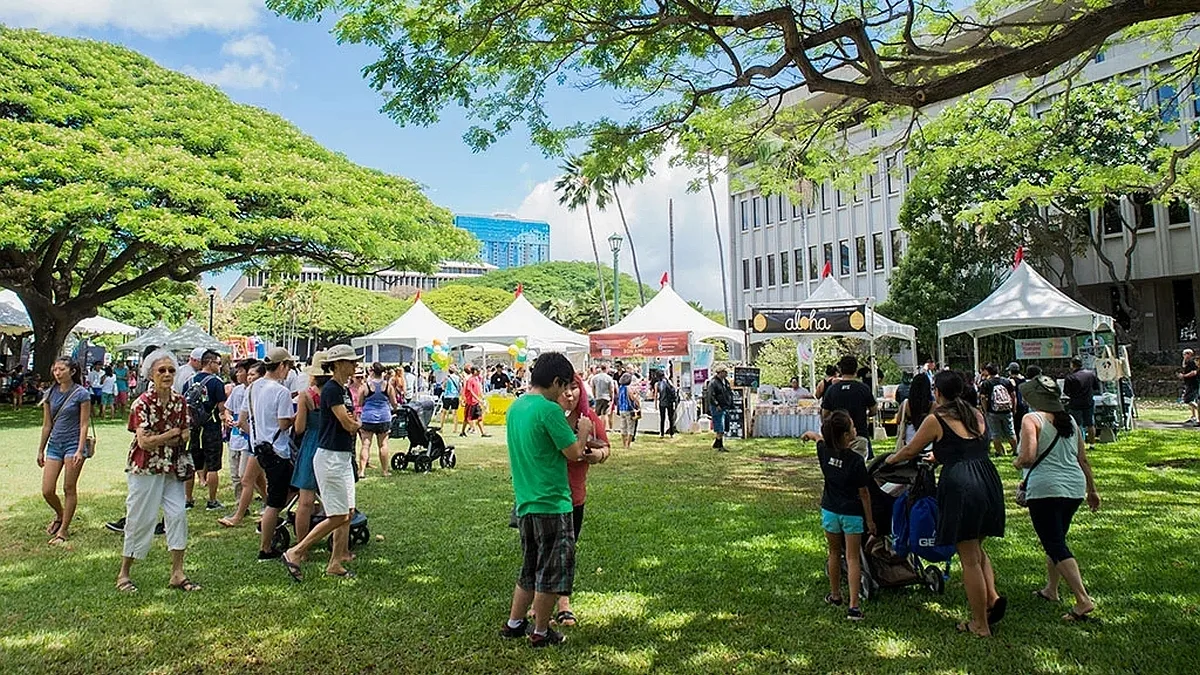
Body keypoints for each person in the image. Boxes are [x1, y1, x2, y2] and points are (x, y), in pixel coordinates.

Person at [886, 371, 1006, 637]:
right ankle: (991, 599)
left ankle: (979, 624)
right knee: (978, 549)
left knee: (969, 559)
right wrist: (939, 457)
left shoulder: (936, 418)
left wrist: (889, 461)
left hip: (962, 485)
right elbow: (965, 448)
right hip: (988, 480)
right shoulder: (976, 413)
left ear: (937, 392)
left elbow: (910, 450)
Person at [499, 352, 593, 648]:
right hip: (552, 503)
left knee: (529, 566)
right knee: (553, 571)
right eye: (563, 385)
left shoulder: (516, 408)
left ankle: (515, 623)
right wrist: (583, 432)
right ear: (554, 382)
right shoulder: (549, 411)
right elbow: (574, 453)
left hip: (525, 502)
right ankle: (540, 631)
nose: (565, 392)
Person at [1016, 375, 1102, 622]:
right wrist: (1092, 490)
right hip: (1073, 488)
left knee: (1054, 543)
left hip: (1046, 489)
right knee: (1056, 538)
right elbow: (1082, 459)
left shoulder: (1031, 419)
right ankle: (1051, 589)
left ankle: (1082, 599)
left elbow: (1029, 456)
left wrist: (1017, 462)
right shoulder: (1071, 421)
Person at [116, 349, 198, 593]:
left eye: (171, 370)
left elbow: (185, 434)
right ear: (150, 374)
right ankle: (124, 573)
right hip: (145, 468)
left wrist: (165, 437)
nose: (167, 374)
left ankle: (177, 572)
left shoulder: (179, 402)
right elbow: (144, 442)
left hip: (171, 467)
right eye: (161, 370)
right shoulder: (141, 403)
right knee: (141, 518)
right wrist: (170, 435)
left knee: (178, 515)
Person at [281, 345, 362, 581]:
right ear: (337, 365)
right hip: (330, 458)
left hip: (342, 457)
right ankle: (295, 551)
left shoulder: (342, 390)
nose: (354, 365)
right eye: (350, 361)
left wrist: (352, 422)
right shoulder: (332, 391)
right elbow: (347, 423)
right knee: (337, 515)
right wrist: (355, 424)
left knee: (347, 512)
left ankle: (336, 562)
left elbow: (349, 419)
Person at [801, 410, 875, 620]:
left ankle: (835, 595)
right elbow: (864, 493)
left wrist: (809, 433)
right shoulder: (856, 460)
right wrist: (869, 520)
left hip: (830, 511)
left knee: (834, 553)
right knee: (852, 558)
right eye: (852, 427)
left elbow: (819, 438)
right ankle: (854, 606)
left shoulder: (824, 451)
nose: (855, 429)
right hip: (852, 513)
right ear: (845, 435)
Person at [552, 372, 611, 626]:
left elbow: (606, 448)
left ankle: (563, 603)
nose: (570, 393)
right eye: (564, 387)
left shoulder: (589, 419)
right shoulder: (548, 417)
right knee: (542, 551)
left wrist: (597, 455)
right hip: (546, 495)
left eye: (574, 387)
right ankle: (537, 602)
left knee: (566, 551)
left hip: (574, 497)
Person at [239, 347, 297, 561]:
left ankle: (269, 526)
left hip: (260, 449)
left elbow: (243, 420)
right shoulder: (281, 392)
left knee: (287, 490)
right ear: (282, 366)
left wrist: (258, 435)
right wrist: (297, 415)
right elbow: (283, 423)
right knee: (274, 501)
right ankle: (266, 547)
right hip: (277, 451)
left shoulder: (252, 388)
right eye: (288, 366)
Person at [36, 357, 93, 546]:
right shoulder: (49, 393)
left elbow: (84, 423)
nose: (57, 373)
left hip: (73, 444)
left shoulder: (81, 394)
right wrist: (40, 449)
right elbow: (47, 425)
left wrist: (79, 449)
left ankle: (63, 530)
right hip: (55, 444)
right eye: (55, 370)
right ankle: (61, 514)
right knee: (47, 490)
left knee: (69, 487)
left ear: (72, 371)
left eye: (61, 369)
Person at [290, 352, 327, 547]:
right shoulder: (336, 393)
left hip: (311, 444)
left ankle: (300, 545)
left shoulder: (305, 396)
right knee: (333, 501)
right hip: (329, 444)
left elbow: (299, 428)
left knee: (305, 502)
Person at [185, 350, 228, 510]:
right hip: (211, 426)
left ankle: (188, 499)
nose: (219, 366)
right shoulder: (216, 383)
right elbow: (222, 407)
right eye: (218, 363)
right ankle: (212, 500)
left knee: (191, 463)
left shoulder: (189, 382)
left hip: (193, 427)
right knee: (212, 465)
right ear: (209, 363)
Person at [821, 356, 877, 459]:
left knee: (839, 466)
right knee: (858, 466)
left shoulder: (832, 390)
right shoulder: (863, 388)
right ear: (856, 369)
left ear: (840, 370)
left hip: (838, 436)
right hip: (859, 434)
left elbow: (825, 414)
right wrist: (867, 415)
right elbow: (874, 410)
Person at [357, 362, 397, 477]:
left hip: (368, 418)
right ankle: (385, 471)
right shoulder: (388, 386)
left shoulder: (366, 386)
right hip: (384, 417)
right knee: (383, 445)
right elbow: (394, 403)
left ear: (372, 371)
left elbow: (359, 403)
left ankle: (362, 471)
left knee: (365, 445)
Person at [978, 364, 1018, 457]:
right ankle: (1015, 451)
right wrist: (1013, 408)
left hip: (993, 411)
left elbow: (983, 398)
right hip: (1007, 410)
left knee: (995, 433)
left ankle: (999, 452)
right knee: (1010, 431)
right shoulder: (1006, 381)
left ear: (988, 372)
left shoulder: (986, 383)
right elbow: (1013, 396)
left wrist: (985, 410)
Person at [1063, 357, 1100, 446]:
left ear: (1072, 365)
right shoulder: (1091, 374)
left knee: (1077, 425)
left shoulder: (1070, 377)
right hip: (1088, 402)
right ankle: (1092, 444)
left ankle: (1080, 444)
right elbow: (1096, 388)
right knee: (1090, 424)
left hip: (1075, 403)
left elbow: (1066, 392)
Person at [896, 373, 932, 445]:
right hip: (928, 441)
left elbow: (898, 420)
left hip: (910, 440)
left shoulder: (906, 404)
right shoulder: (933, 405)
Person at [705, 367, 734, 451]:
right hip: (717, 407)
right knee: (720, 427)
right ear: (720, 372)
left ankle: (717, 444)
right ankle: (720, 445)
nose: (726, 373)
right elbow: (710, 395)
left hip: (725, 406)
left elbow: (729, 393)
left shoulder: (726, 382)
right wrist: (716, 404)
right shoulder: (713, 382)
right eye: (725, 372)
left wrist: (730, 404)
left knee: (724, 426)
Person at [460, 365, 489, 438]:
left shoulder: (477, 379)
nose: (479, 372)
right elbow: (470, 391)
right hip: (470, 402)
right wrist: (478, 399)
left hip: (476, 402)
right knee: (467, 418)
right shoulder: (470, 380)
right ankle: (463, 432)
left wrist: (482, 397)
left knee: (479, 418)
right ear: (474, 371)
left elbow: (479, 390)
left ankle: (483, 433)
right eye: (478, 370)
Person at [615, 372, 641, 450]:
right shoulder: (628, 388)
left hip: (622, 409)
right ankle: (628, 445)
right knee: (631, 428)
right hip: (629, 409)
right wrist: (637, 402)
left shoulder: (620, 388)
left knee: (623, 427)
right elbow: (632, 398)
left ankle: (624, 444)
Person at [653, 370, 679, 438]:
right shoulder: (668, 382)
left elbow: (656, 395)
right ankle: (671, 433)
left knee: (662, 418)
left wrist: (655, 404)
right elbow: (673, 390)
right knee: (671, 418)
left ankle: (662, 433)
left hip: (662, 403)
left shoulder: (657, 384)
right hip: (669, 402)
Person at [439, 364, 463, 430]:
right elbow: (460, 387)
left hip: (447, 396)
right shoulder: (458, 378)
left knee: (443, 412)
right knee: (454, 413)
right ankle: (455, 429)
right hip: (455, 396)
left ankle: (441, 427)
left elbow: (443, 386)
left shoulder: (447, 377)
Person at [1180, 349, 1199, 426]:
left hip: (1193, 383)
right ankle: (1193, 417)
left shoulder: (1192, 362)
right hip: (1188, 383)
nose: (1184, 355)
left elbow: (1194, 372)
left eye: (1185, 354)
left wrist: (1184, 376)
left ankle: (1198, 410)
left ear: (1190, 354)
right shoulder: (1188, 362)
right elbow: (1184, 366)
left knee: (1187, 399)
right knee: (1190, 400)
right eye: (1183, 354)